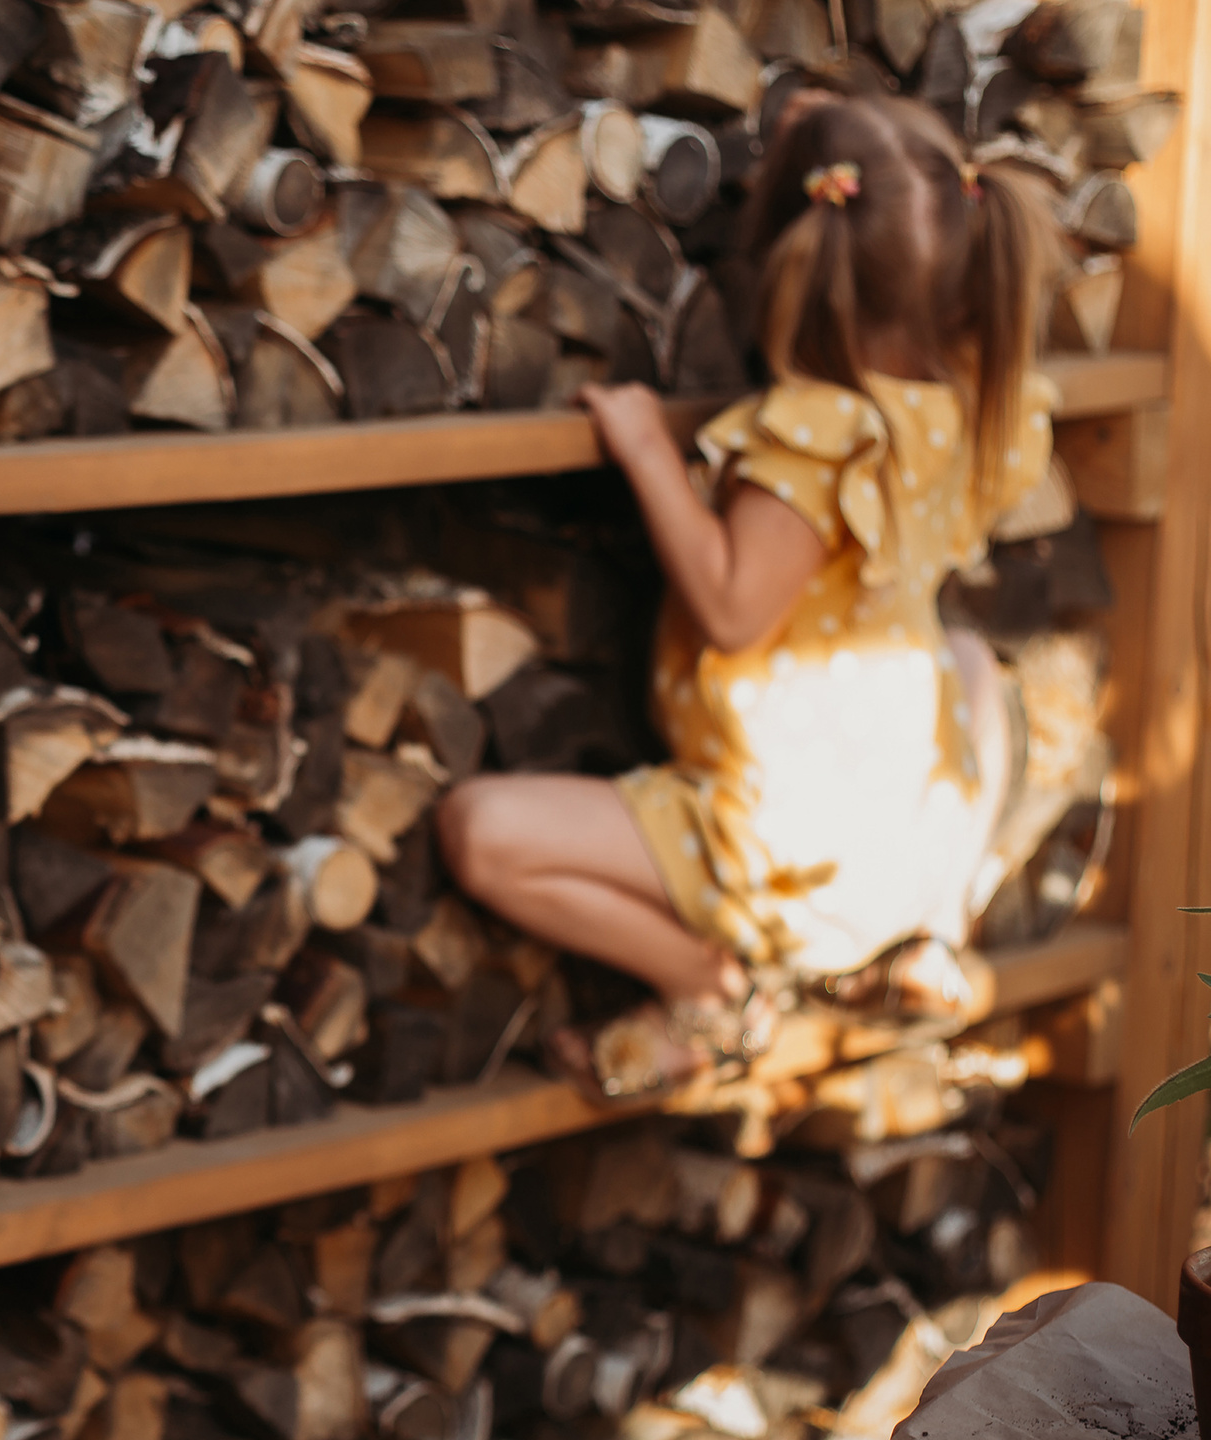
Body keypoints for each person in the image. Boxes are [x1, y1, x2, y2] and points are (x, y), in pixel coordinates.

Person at [437, 93, 1061, 1102]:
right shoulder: (966, 404)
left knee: (480, 829)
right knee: (974, 661)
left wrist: (649, 456)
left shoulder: (815, 441)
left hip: (781, 852)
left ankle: (708, 986)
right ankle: (929, 926)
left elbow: (732, 608)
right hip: (907, 825)